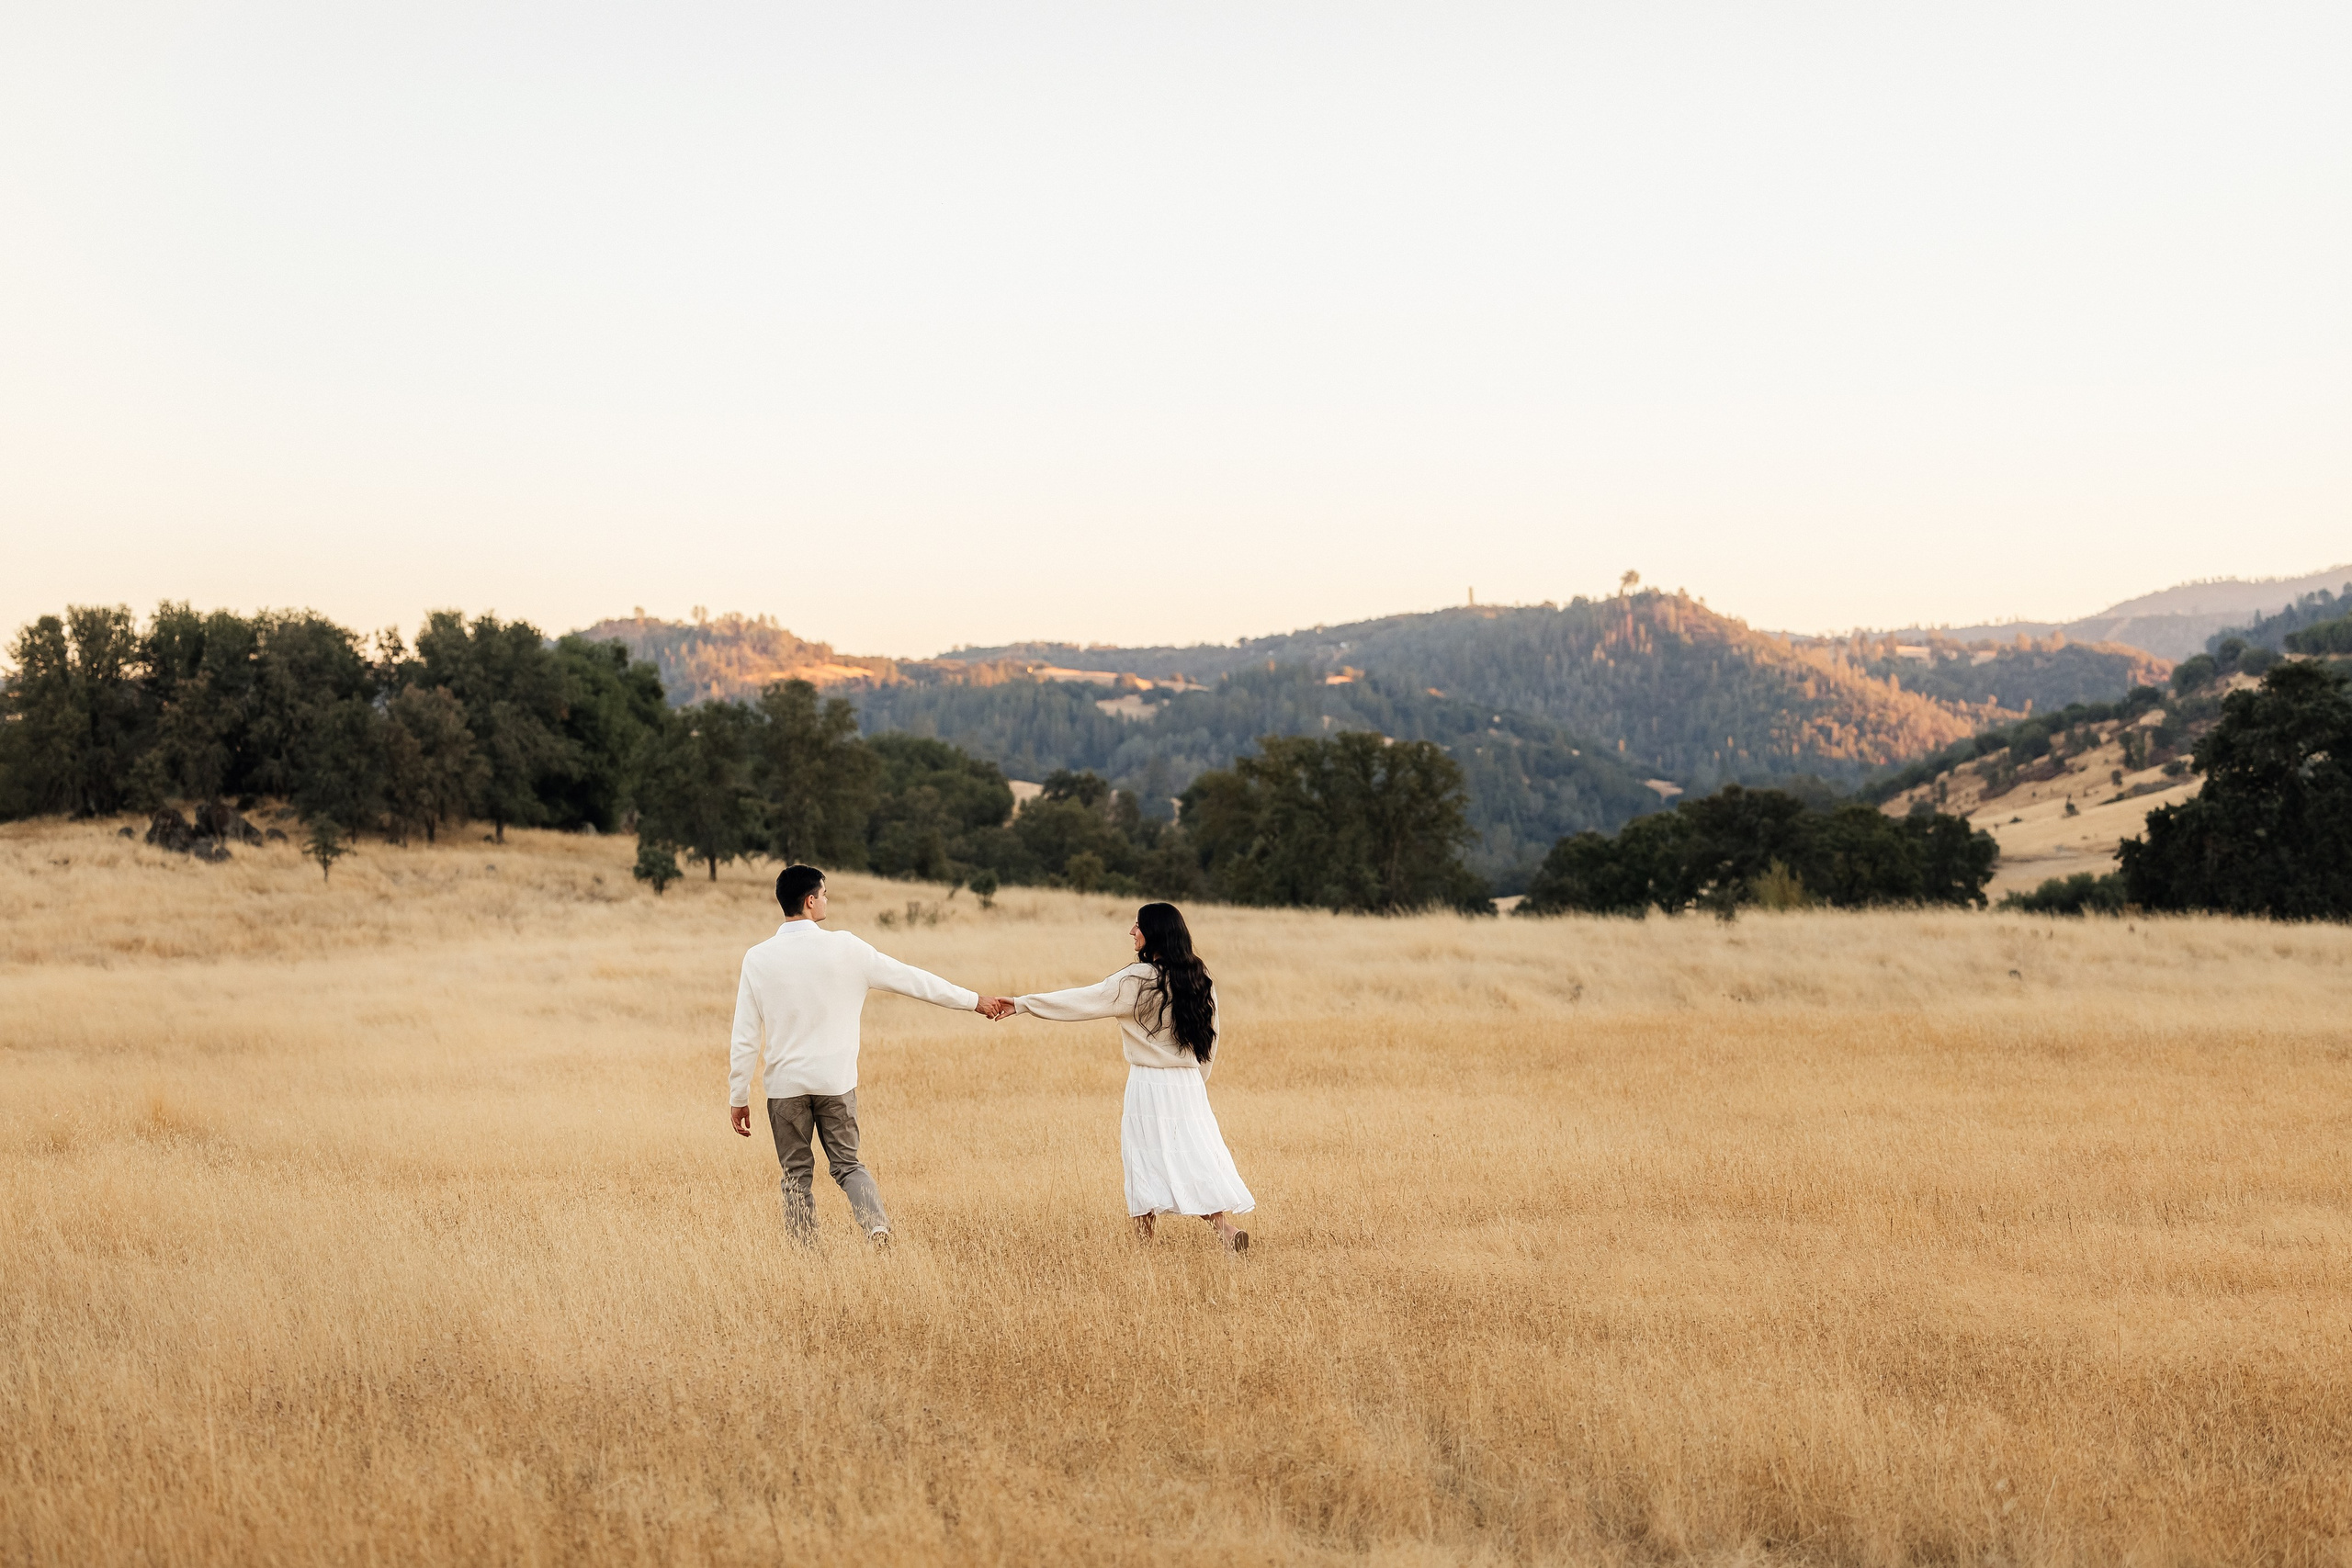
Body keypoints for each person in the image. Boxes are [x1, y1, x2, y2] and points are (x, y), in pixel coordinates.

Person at [729, 863, 1014, 1244]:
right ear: (811, 901)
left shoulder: (757, 958)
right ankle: (877, 1227)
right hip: (835, 1082)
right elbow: (914, 980)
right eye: (825, 894)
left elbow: (745, 1035)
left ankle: (803, 1258)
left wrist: (738, 1096)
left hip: (785, 1088)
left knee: (796, 1175)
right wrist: (974, 1001)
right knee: (848, 1165)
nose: (827, 900)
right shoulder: (847, 947)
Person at [1005, 902, 1253, 1251]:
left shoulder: (1135, 981)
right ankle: (1224, 1229)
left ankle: (1143, 1249)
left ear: (1154, 934)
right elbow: (1211, 1039)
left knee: (1143, 1160)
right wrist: (1197, 1082)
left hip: (1149, 1084)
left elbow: (1081, 1001)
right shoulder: (1200, 980)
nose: (1131, 932)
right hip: (1188, 1085)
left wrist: (1022, 1003)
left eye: (1138, 926)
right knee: (1192, 1156)